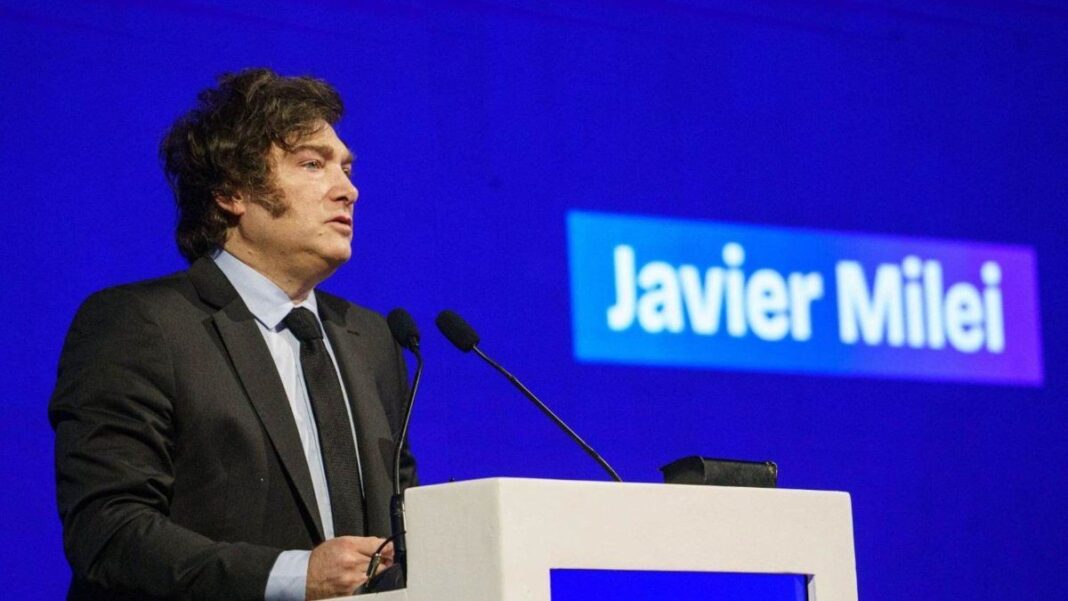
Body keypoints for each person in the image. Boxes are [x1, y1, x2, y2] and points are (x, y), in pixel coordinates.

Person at [49, 68, 416, 601]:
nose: (348, 189)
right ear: (232, 192)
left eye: (346, 167)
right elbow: (107, 532)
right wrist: (295, 577)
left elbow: (399, 518)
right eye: (313, 164)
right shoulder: (139, 324)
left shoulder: (372, 338)